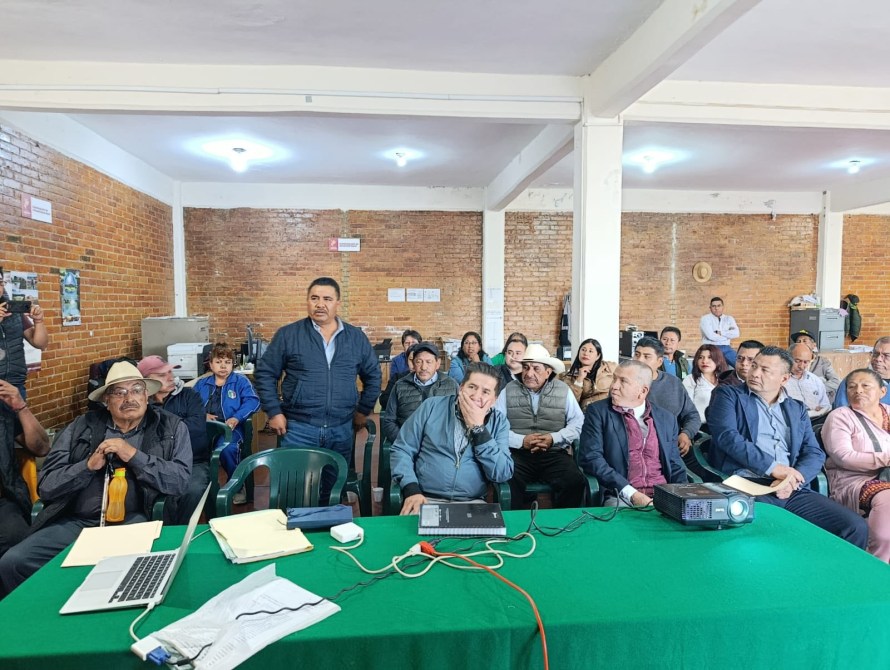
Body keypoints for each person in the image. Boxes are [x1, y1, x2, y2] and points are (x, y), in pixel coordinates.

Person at [0, 362, 191, 596]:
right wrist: (87, 466)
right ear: (106, 401)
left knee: (121, 571)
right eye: (119, 392)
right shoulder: (81, 427)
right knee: (13, 562)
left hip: (135, 521)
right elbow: (47, 485)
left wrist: (133, 456)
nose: (129, 398)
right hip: (77, 522)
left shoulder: (170, 427)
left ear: (147, 396)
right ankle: (42, 611)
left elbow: (179, 481)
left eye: (136, 390)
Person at [705, 347, 868, 548]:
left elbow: (814, 452)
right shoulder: (728, 395)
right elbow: (728, 438)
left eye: (765, 370)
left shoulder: (795, 408)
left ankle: (829, 570)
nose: (754, 373)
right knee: (775, 534)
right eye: (754, 366)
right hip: (747, 485)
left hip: (790, 488)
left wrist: (793, 479)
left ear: (784, 379)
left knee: (854, 527)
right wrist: (774, 468)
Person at [255, 277, 381, 504]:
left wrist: (363, 410)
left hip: (341, 430)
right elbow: (265, 373)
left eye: (327, 299)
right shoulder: (288, 335)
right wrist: (273, 411)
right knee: (294, 493)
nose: (320, 304)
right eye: (314, 298)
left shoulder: (355, 338)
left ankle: (328, 525)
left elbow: (373, 375)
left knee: (331, 494)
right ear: (307, 301)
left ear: (338, 303)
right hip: (298, 429)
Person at [390, 362, 513, 515]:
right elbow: (402, 449)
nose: (476, 396)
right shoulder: (431, 407)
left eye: (485, 392)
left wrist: (479, 429)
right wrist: (411, 489)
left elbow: (502, 472)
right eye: (472, 387)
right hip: (424, 498)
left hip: (472, 502)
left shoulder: (499, 422)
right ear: (461, 388)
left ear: (494, 399)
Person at [578, 360, 685, 506]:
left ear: (643, 391)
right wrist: (632, 494)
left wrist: (682, 498)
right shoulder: (599, 412)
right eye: (614, 379)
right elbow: (591, 458)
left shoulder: (666, 418)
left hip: (662, 494)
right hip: (620, 494)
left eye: (623, 381)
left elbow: (675, 464)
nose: (614, 386)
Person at [494, 344, 586, 508]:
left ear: (548, 372)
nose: (529, 373)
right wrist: (521, 441)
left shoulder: (563, 390)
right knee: (507, 478)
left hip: (553, 453)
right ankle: (517, 522)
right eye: (526, 367)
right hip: (517, 454)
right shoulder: (508, 390)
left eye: (536, 369)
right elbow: (496, 426)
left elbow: (578, 423)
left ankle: (561, 522)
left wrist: (554, 438)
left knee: (574, 481)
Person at [822, 369, 890, 561]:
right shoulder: (840, 416)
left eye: (865, 385)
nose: (858, 390)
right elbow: (844, 457)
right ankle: (878, 561)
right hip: (854, 481)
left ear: (882, 391)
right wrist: (887, 459)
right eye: (852, 387)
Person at [138, 355, 210, 524]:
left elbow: (197, 427)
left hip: (193, 461)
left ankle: (179, 531)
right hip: (154, 463)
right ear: (146, 381)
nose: (170, 377)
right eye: (162, 375)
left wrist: (162, 430)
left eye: (170, 372)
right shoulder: (140, 404)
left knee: (191, 490)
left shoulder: (189, 395)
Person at [193, 342, 261, 504]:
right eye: (218, 362)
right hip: (205, 428)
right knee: (188, 448)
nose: (223, 366)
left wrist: (237, 417)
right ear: (211, 365)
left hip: (230, 428)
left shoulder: (240, 381)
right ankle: (201, 489)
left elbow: (253, 401)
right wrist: (202, 415)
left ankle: (237, 486)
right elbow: (191, 406)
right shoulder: (202, 384)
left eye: (227, 362)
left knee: (227, 449)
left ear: (232, 364)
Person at [0, 380, 49, 560]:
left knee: (20, 550)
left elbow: (42, 448)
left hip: (4, 501)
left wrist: (20, 406)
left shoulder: (3, 412)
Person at [632, 337, 701, 458]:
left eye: (647, 356)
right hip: (635, 448)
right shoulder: (622, 383)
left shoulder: (674, 383)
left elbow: (692, 415)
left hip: (670, 447)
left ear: (659, 361)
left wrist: (686, 434)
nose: (639, 360)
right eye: (637, 355)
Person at [381, 342, 458, 444]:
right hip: (406, 445)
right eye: (419, 362)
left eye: (429, 362)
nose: (423, 367)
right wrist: (404, 442)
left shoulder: (451, 385)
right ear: (413, 363)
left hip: (441, 447)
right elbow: (389, 421)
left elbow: (459, 420)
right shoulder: (400, 385)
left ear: (437, 363)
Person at [0, 267, 49, 399]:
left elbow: (41, 344)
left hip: (15, 386)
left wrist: (39, 321)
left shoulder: (13, 313)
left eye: (0, 283)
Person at [559, 338, 617, 410]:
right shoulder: (569, 376)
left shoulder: (610, 367)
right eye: (583, 350)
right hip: (588, 411)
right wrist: (579, 379)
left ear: (598, 356)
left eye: (590, 351)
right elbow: (570, 402)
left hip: (610, 408)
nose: (586, 353)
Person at [834, 336, 890, 409]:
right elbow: (841, 411)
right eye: (875, 354)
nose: (878, 359)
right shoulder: (853, 380)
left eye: (886, 356)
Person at [682, 345, 729, 424]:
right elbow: (686, 409)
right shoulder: (690, 379)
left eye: (709, 357)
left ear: (718, 359)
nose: (704, 361)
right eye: (700, 357)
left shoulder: (726, 380)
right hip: (699, 426)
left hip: (722, 425)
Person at [785, 343, 831, 424]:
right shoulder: (781, 380)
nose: (801, 366)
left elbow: (825, 406)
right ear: (787, 358)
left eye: (806, 362)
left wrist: (822, 409)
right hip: (792, 423)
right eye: (797, 361)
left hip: (817, 420)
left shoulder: (815, 380)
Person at [790, 330, 841, 401]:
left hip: (820, 401)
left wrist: (815, 388)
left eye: (804, 341)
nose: (801, 344)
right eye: (798, 341)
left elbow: (836, 382)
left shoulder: (823, 362)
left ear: (814, 345)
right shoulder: (789, 361)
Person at [699, 297, 740, 367]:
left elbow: (736, 333)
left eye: (719, 306)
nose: (716, 308)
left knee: (739, 364)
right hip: (710, 348)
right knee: (720, 369)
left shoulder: (729, 319)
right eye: (714, 306)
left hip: (727, 348)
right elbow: (711, 336)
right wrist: (727, 336)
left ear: (723, 307)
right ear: (710, 308)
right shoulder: (705, 319)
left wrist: (720, 333)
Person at [379, 344, 416, 411]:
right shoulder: (397, 378)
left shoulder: (432, 381)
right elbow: (384, 400)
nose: (413, 365)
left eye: (418, 361)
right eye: (410, 360)